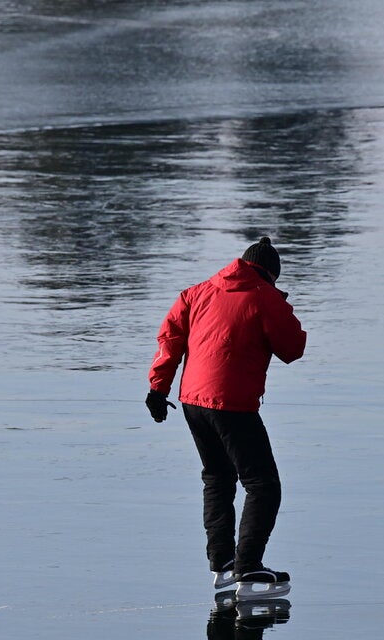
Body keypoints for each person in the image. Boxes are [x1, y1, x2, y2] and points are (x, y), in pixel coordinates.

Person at [145, 237, 307, 601]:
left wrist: (158, 390)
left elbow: (169, 339)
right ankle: (247, 567)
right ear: (270, 274)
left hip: (192, 403)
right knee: (263, 484)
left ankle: (221, 567)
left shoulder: (197, 292)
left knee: (217, 478)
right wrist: (278, 301)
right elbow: (293, 349)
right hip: (230, 403)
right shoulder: (263, 297)